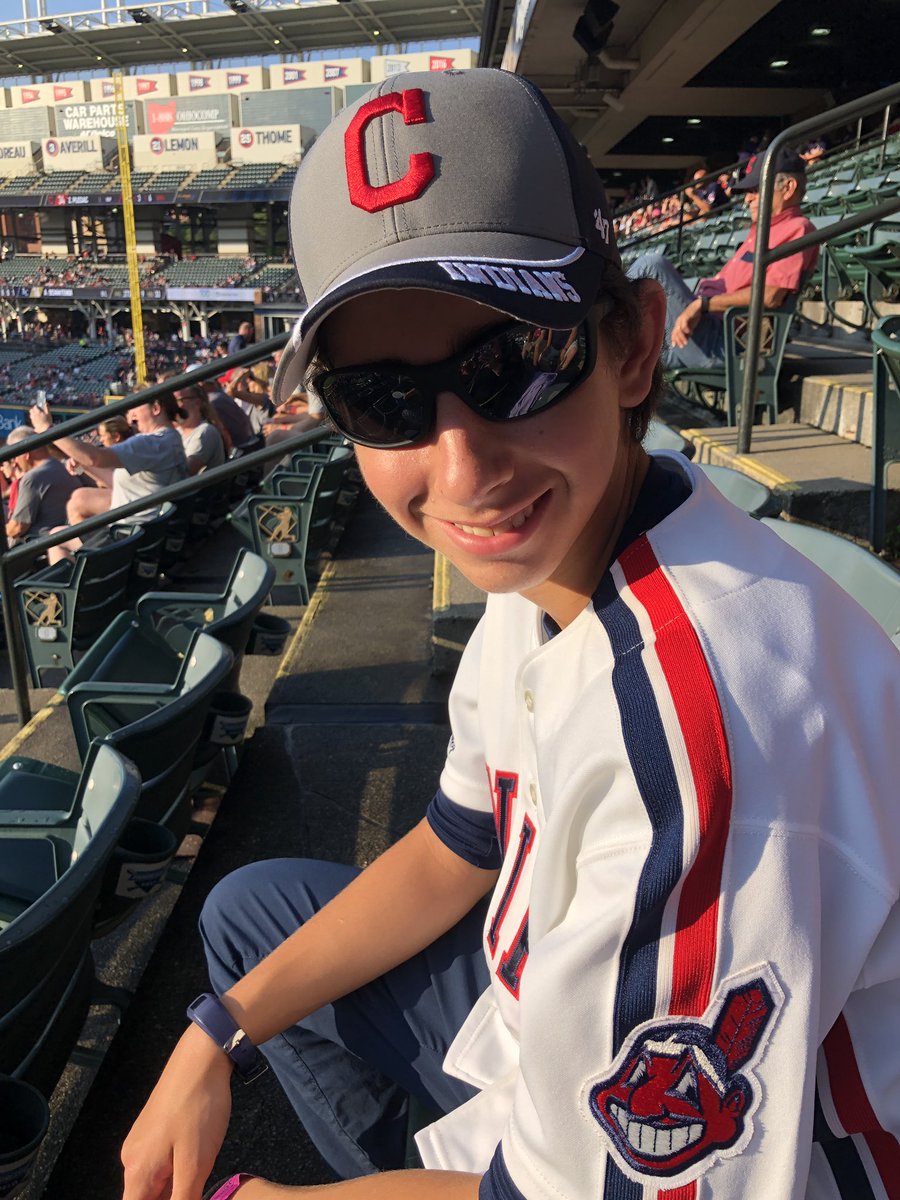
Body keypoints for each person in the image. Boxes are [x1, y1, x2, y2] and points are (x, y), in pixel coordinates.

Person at [121, 69, 900, 1200]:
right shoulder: (563, 533)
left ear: (634, 343)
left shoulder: (711, 740)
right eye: (386, 400)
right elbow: (457, 846)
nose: (465, 467)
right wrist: (213, 1033)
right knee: (249, 925)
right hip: (538, 999)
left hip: (793, 1159)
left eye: (514, 366)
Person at [627, 147, 819, 370]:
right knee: (630, 357)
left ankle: (602, 334)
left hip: (727, 341)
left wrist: (703, 304)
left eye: (756, 190)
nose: (747, 199)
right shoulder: (761, 230)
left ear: (788, 188)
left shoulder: (798, 229)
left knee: (653, 266)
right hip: (706, 329)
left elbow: (771, 295)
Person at [30, 394, 188, 563]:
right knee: (61, 530)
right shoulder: (170, 438)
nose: (131, 416)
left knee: (56, 540)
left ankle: (70, 588)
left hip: (129, 536)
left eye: (135, 408)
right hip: (144, 532)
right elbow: (119, 482)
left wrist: (47, 429)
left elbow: (94, 457)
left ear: (156, 408)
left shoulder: (150, 443)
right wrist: (85, 465)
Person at [3, 423, 81, 544]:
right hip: (62, 540)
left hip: (38, 545)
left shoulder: (32, 478)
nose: (15, 462)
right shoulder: (64, 468)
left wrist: (4, 530)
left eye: (15, 457)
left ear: (25, 455)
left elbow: (18, 527)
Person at [173, 384, 227, 474]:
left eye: (178, 401)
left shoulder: (205, 432)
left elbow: (185, 472)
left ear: (197, 403)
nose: (173, 407)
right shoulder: (178, 432)